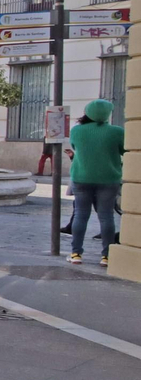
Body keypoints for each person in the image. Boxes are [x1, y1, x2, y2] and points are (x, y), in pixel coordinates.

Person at [66, 98, 124, 267]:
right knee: (106, 217)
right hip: (108, 178)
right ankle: (106, 256)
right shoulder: (117, 131)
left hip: (81, 177)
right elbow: (123, 149)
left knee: (81, 215)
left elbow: (76, 147)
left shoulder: (77, 131)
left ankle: (76, 253)